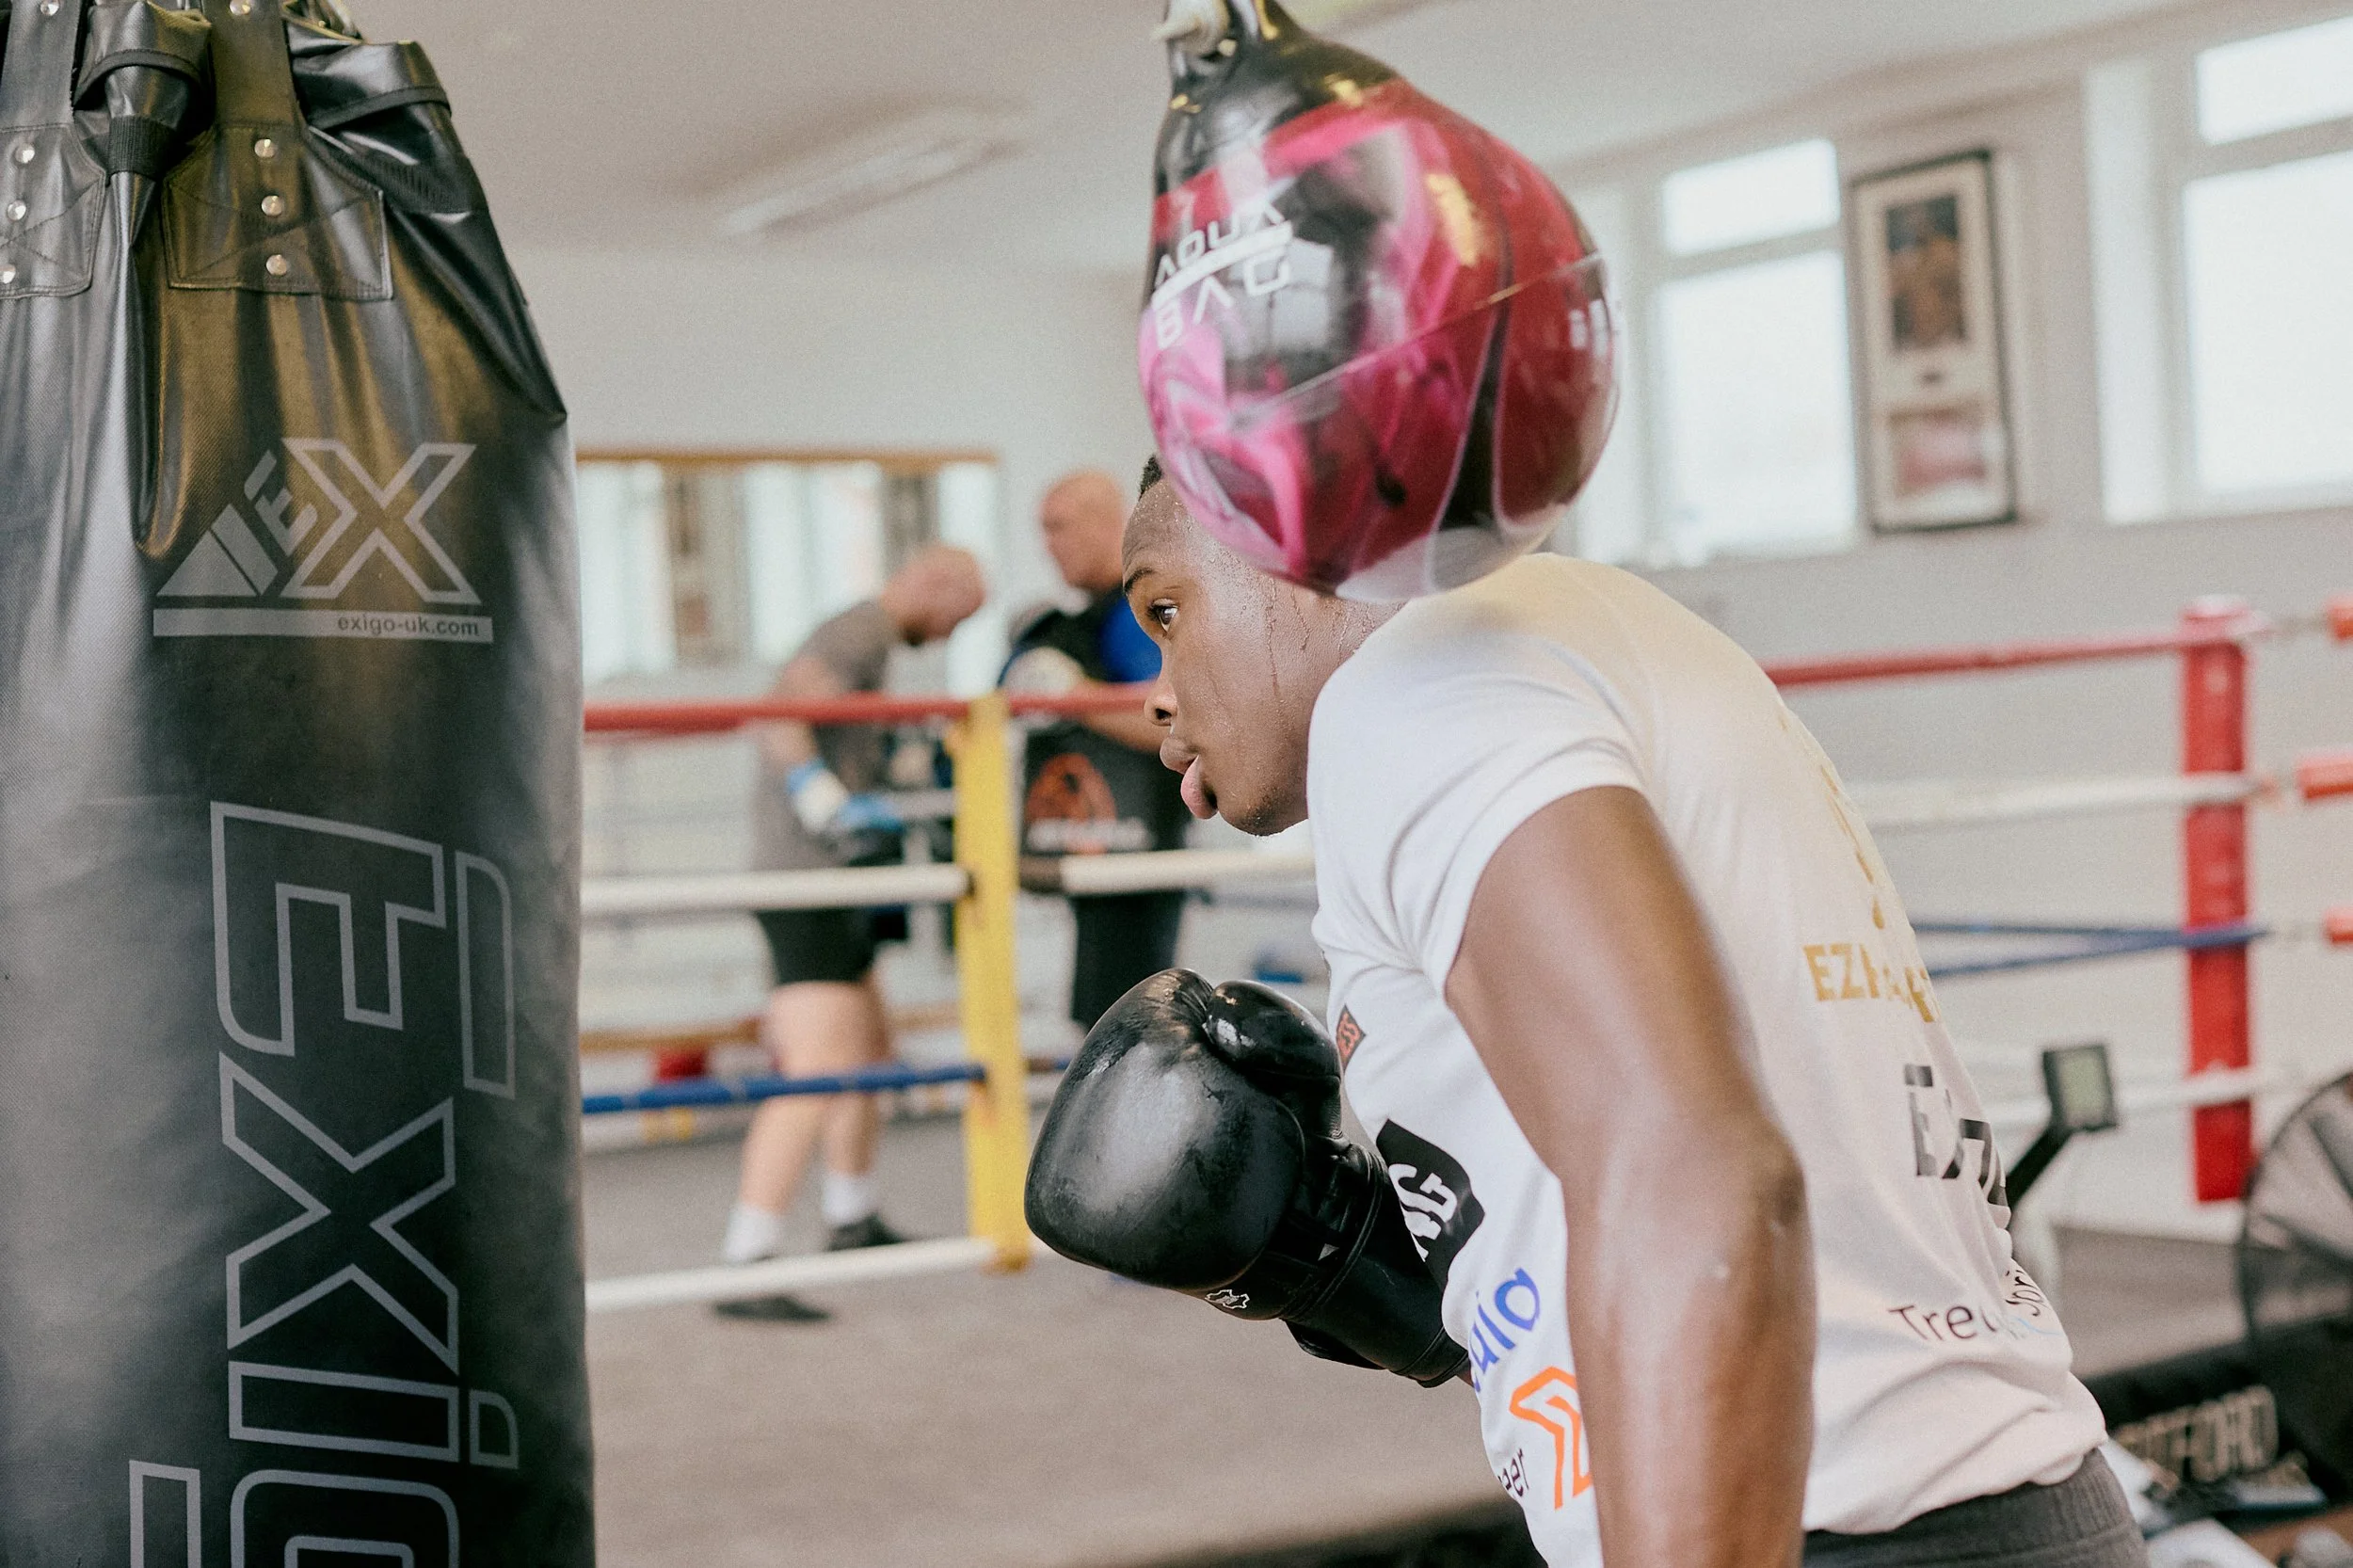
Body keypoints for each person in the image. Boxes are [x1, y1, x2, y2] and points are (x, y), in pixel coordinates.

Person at [1034, 459, 2139, 1568]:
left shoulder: (1416, 692)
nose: (1159, 690)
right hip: (1990, 1501)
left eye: (1167, 612)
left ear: (1284, 540)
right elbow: (1665, 1183)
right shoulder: (1590, 632)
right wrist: (1353, 1255)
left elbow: (1694, 1178)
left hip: (1831, 1526)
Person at [718, 545, 987, 1305]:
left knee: (868, 1045)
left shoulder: (866, 637)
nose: (944, 636)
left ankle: (851, 1212)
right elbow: (781, 715)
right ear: (933, 585)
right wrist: (820, 796)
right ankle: (749, 1254)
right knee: (814, 1067)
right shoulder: (860, 631)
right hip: (806, 882)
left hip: (829, 880)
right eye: (953, 616)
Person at [1002, 470, 1192, 1029]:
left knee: (1126, 1020)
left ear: (1109, 525)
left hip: (1139, 848)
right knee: (1105, 1017)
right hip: (1096, 842)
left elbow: (1177, 723)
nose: (1047, 546)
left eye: (1058, 527)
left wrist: (1074, 696)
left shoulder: (1143, 611)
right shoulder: (1078, 621)